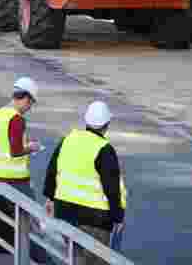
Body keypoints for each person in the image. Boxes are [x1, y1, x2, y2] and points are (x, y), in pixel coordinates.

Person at [44, 101, 124, 264]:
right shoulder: (104, 149)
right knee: (96, 260)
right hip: (95, 219)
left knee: (76, 258)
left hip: (65, 212)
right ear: (106, 125)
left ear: (87, 121)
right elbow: (112, 189)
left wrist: (50, 199)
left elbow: (52, 170)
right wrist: (118, 217)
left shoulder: (68, 140)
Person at [0, 77, 43, 193]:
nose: (29, 108)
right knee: (30, 210)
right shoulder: (17, 119)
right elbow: (16, 151)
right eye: (31, 103)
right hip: (15, 181)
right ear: (26, 98)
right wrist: (31, 148)